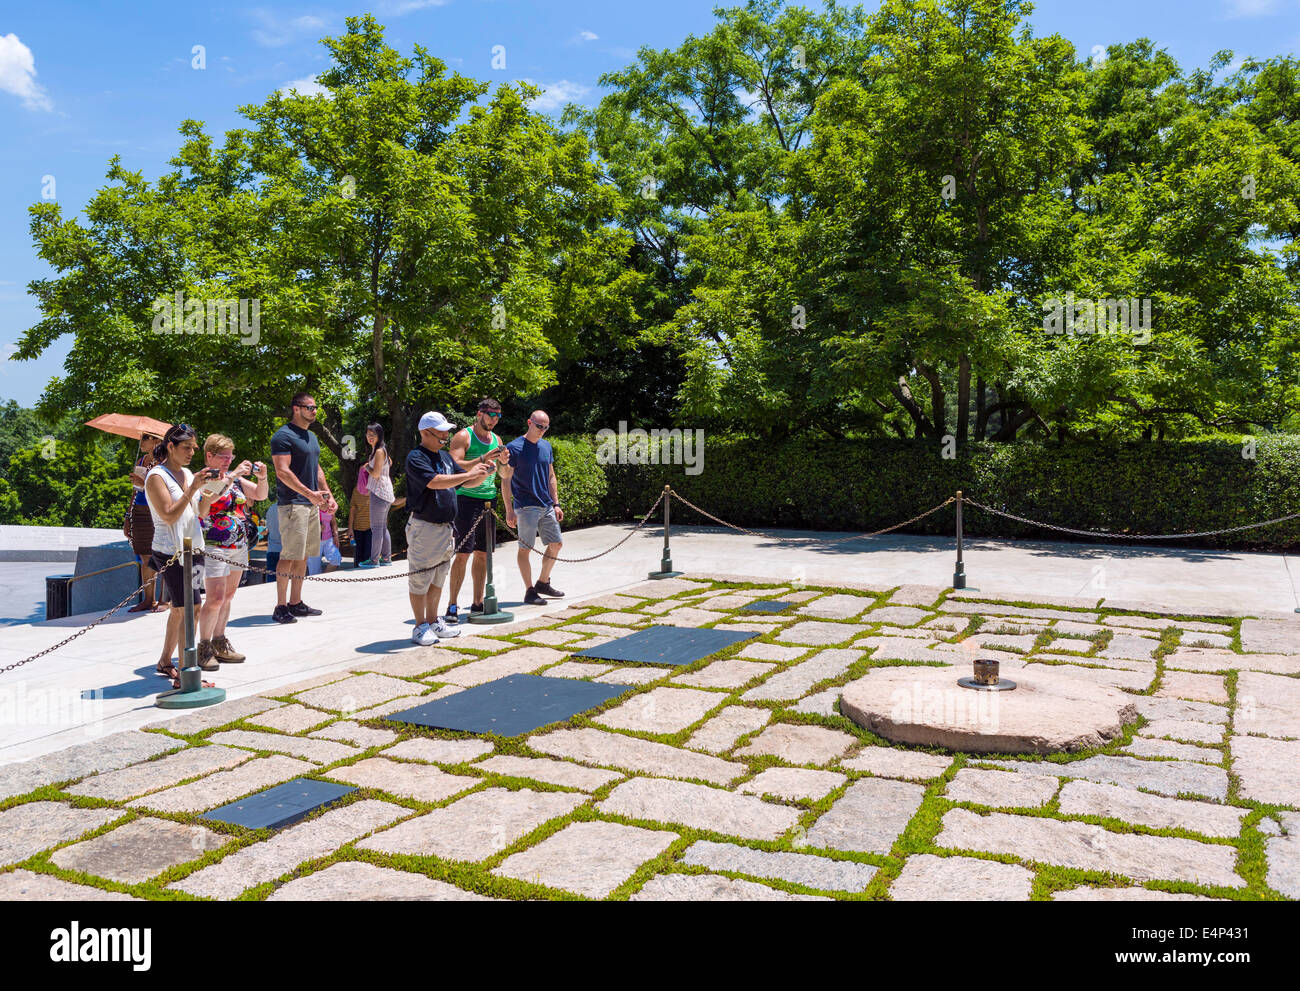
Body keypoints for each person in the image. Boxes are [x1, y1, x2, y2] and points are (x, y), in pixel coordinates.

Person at [404, 411, 490, 645]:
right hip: (425, 527)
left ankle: (433, 621)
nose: (445, 435)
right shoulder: (416, 457)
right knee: (420, 578)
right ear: (425, 432)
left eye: (446, 430)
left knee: (438, 579)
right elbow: (434, 481)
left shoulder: (445, 457)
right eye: (440, 431)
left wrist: (484, 473)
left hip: (445, 528)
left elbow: (467, 481)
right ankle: (420, 626)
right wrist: (468, 475)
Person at [144, 423, 218, 689]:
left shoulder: (187, 473)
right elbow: (168, 514)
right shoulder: (156, 476)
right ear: (171, 447)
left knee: (181, 608)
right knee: (190, 608)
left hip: (193, 548)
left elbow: (199, 512)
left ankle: (166, 661)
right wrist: (192, 487)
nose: (191, 452)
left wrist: (208, 494)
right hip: (170, 551)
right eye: (187, 447)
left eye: (194, 448)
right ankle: (188, 670)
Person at [197, 434, 268, 666]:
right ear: (210, 456)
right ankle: (204, 647)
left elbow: (260, 494)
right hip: (214, 545)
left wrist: (263, 477)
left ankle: (219, 641)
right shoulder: (206, 477)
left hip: (238, 545)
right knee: (215, 597)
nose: (228, 461)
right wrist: (233, 475)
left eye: (230, 456)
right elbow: (206, 505)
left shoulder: (235, 481)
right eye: (223, 457)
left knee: (228, 596)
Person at [269, 393, 337, 623]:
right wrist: (309, 494)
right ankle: (280, 606)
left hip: (310, 504)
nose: (314, 411)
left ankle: (295, 602)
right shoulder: (283, 436)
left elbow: (317, 470)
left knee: (304, 555)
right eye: (309, 407)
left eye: (316, 407)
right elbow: (282, 471)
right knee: (289, 555)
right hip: (292, 504)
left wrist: (328, 496)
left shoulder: (311, 437)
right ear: (296, 409)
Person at [445, 398, 510, 623]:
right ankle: (452, 605)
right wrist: (482, 459)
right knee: (463, 554)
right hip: (466, 500)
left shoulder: (497, 439)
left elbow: (504, 475)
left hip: (488, 500)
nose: (493, 419)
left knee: (483, 554)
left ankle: (477, 602)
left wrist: (503, 462)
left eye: (498, 415)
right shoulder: (464, 436)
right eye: (490, 414)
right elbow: (453, 466)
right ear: (479, 413)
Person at [501, 409, 565, 605]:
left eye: (546, 427)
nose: (542, 430)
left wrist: (556, 503)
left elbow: (551, 476)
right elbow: (506, 479)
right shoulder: (515, 447)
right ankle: (529, 591)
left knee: (556, 544)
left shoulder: (546, 447)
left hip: (546, 505)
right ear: (529, 422)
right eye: (539, 426)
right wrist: (509, 509)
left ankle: (543, 583)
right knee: (525, 549)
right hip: (525, 506)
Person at [126, 432, 165, 612]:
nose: (140, 441)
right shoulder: (142, 461)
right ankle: (148, 599)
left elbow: (163, 489)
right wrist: (128, 516)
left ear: (156, 440)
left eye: (144, 438)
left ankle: (164, 599)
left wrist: (143, 483)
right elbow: (136, 491)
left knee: (163, 555)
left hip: (156, 511)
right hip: (140, 510)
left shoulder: (164, 461)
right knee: (144, 556)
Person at [363, 423, 395, 566]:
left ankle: (374, 559)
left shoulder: (379, 451)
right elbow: (390, 463)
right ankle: (386, 558)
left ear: (379, 435)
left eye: (373, 434)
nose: (370, 437)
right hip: (385, 492)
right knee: (382, 527)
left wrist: (367, 467)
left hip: (379, 492)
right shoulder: (381, 450)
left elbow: (375, 474)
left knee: (376, 528)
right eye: (368, 434)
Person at [345, 479, 372, 568]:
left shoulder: (376, 489)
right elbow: (352, 510)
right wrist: (350, 528)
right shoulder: (356, 490)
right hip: (358, 528)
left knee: (368, 555)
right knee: (358, 556)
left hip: (371, 528)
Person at [319, 505, 343, 572]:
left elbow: (334, 523)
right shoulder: (312, 506)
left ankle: (323, 578)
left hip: (328, 538)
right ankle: (318, 580)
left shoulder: (330, 507)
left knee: (336, 559)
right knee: (314, 570)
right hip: (315, 540)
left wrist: (336, 536)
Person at [263, 502, 281, 584]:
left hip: (272, 548)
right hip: (285, 549)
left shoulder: (271, 508)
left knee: (271, 578)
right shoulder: (289, 507)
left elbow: (268, 527)